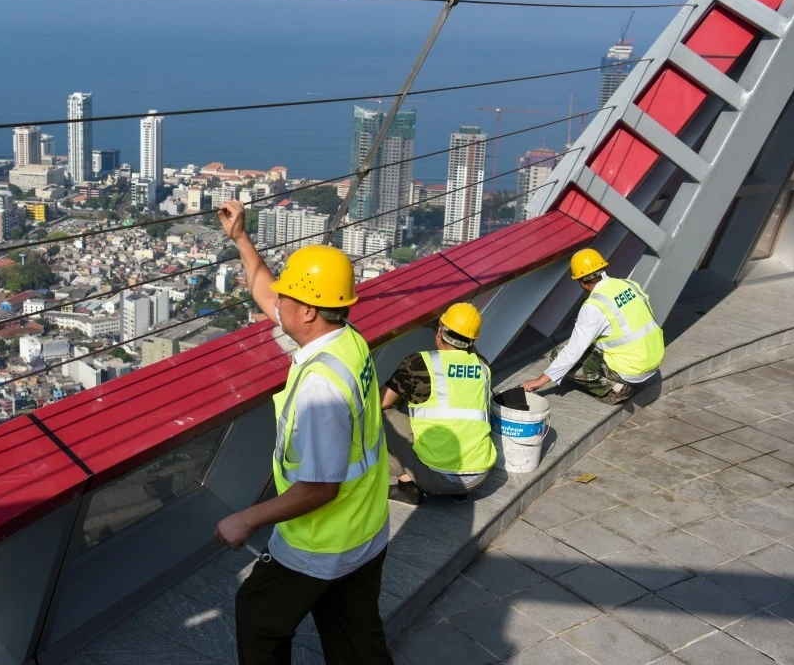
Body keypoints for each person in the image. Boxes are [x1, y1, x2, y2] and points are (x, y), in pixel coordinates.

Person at [213, 199, 392, 665]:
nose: (278, 302)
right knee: (356, 641)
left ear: (309, 311)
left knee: (258, 618)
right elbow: (267, 294)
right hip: (366, 528)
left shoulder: (320, 388)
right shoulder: (347, 339)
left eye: (288, 297)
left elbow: (319, 488)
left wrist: (246, 520)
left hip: (321, 542)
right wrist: (241, 239)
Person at [382, 302, 496, 505]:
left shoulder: (418, 363)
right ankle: (459, 493)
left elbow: (382, 402)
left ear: (439, 332)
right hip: (478, 477)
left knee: (383, 414)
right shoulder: (483, 366)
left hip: (436, 478)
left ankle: (407, 485)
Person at [522, 248, 664, 404]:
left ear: (581, 282)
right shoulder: (629, 284)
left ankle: (615, 388)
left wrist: (541, 380)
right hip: (654, 358)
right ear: (602, 269)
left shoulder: (594, 306)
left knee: (559, 354)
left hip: (632, 369)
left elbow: (574, 350)